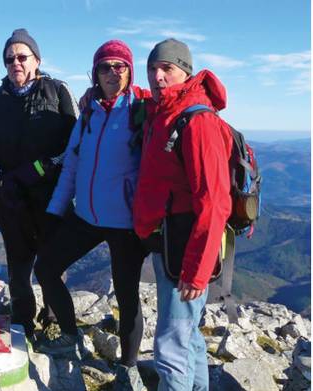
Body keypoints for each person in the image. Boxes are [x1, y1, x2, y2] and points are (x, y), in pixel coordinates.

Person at [33, 40, 149, 390]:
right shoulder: (88, 113)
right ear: (94, 74)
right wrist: (56, 209)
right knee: (46, 267)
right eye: (105, 67)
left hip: (126, 223)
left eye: (120, 66)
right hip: (85, 215)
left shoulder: (143, 109)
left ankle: (127, 368)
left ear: (130, 71)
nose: (113, 72)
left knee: (127, 296)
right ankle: (70, 336)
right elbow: (72, 164)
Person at [133, 38, 232, 390]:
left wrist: (196, 271)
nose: (157, 76)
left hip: (186, 253)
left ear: (184, 72)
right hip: (169, 244)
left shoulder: (197, 120)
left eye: (167, 69)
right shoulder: (164, 112)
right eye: (152, 69)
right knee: (188, 339)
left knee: (170, 349)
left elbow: (216, 202)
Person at [0, 28, 79, 338]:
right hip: (12, 198)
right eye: (9, 59)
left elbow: (75, 143)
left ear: (37, 60)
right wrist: (3, 178)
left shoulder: (58, 91)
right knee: (18, 263)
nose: (15, 63)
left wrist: (44, 168)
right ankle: (23, 320)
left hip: (51, 196)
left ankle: (54, 318)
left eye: (22, 57)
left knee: (50, 260)